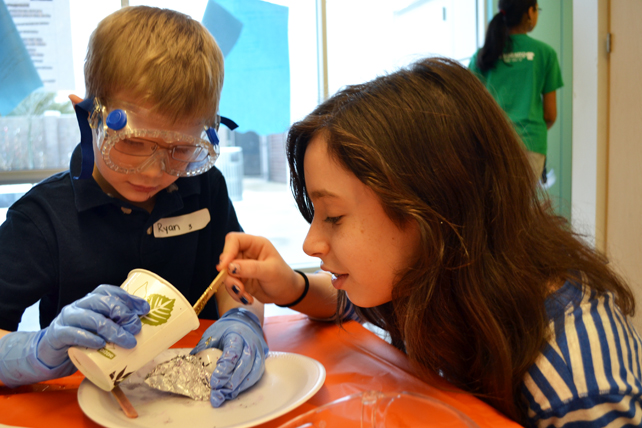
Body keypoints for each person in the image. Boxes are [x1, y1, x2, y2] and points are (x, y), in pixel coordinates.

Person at [213, 57, 642, 427]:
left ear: (429, 210)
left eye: (334, 217)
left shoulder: (573, 367)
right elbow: (351, 302)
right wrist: (293, 287)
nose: (310, 243)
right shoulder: (429, 278)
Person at [0, 6, 268, 408]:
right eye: (132, 143)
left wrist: (243, 318)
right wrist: (36, 351)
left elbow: (231, 278)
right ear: (88, 116)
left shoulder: (203, 186)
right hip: (81, 406)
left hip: (196, 406)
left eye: (181, 150)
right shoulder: (40, 218)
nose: (154, 171)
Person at [468, 0, 563, 183]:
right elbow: (550, 115)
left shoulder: (483, 55)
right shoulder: (545, 53)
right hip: (531, 145)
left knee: (492, 208)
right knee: (521, 208)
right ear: (530, 12)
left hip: (490, 146)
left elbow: (468, 107)